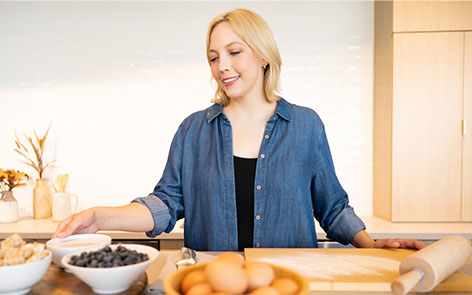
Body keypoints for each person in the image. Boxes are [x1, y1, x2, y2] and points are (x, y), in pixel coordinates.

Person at [53, 8, 424, 252]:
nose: (222, 66)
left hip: (288, 285)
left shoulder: (306, 125)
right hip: (211, 286)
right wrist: (98, 216)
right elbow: (165, 205)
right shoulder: (193, 130)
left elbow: (332, 207)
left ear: (263, 56)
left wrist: (371, 245)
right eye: (213, 57)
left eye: (234, 52)